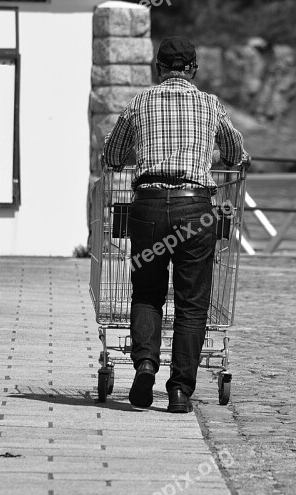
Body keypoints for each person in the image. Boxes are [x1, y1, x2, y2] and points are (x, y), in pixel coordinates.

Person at [101, 36, 249, 413]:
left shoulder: (140, 102)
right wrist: (210, 151)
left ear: (158, 68)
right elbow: (234, 152)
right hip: (194, 210)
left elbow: (113, 154)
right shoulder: (210, 104)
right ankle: (180, 391)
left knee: (147, 292)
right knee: (192, 304)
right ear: (193, 69)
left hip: (148, 209)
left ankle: (146, 365)